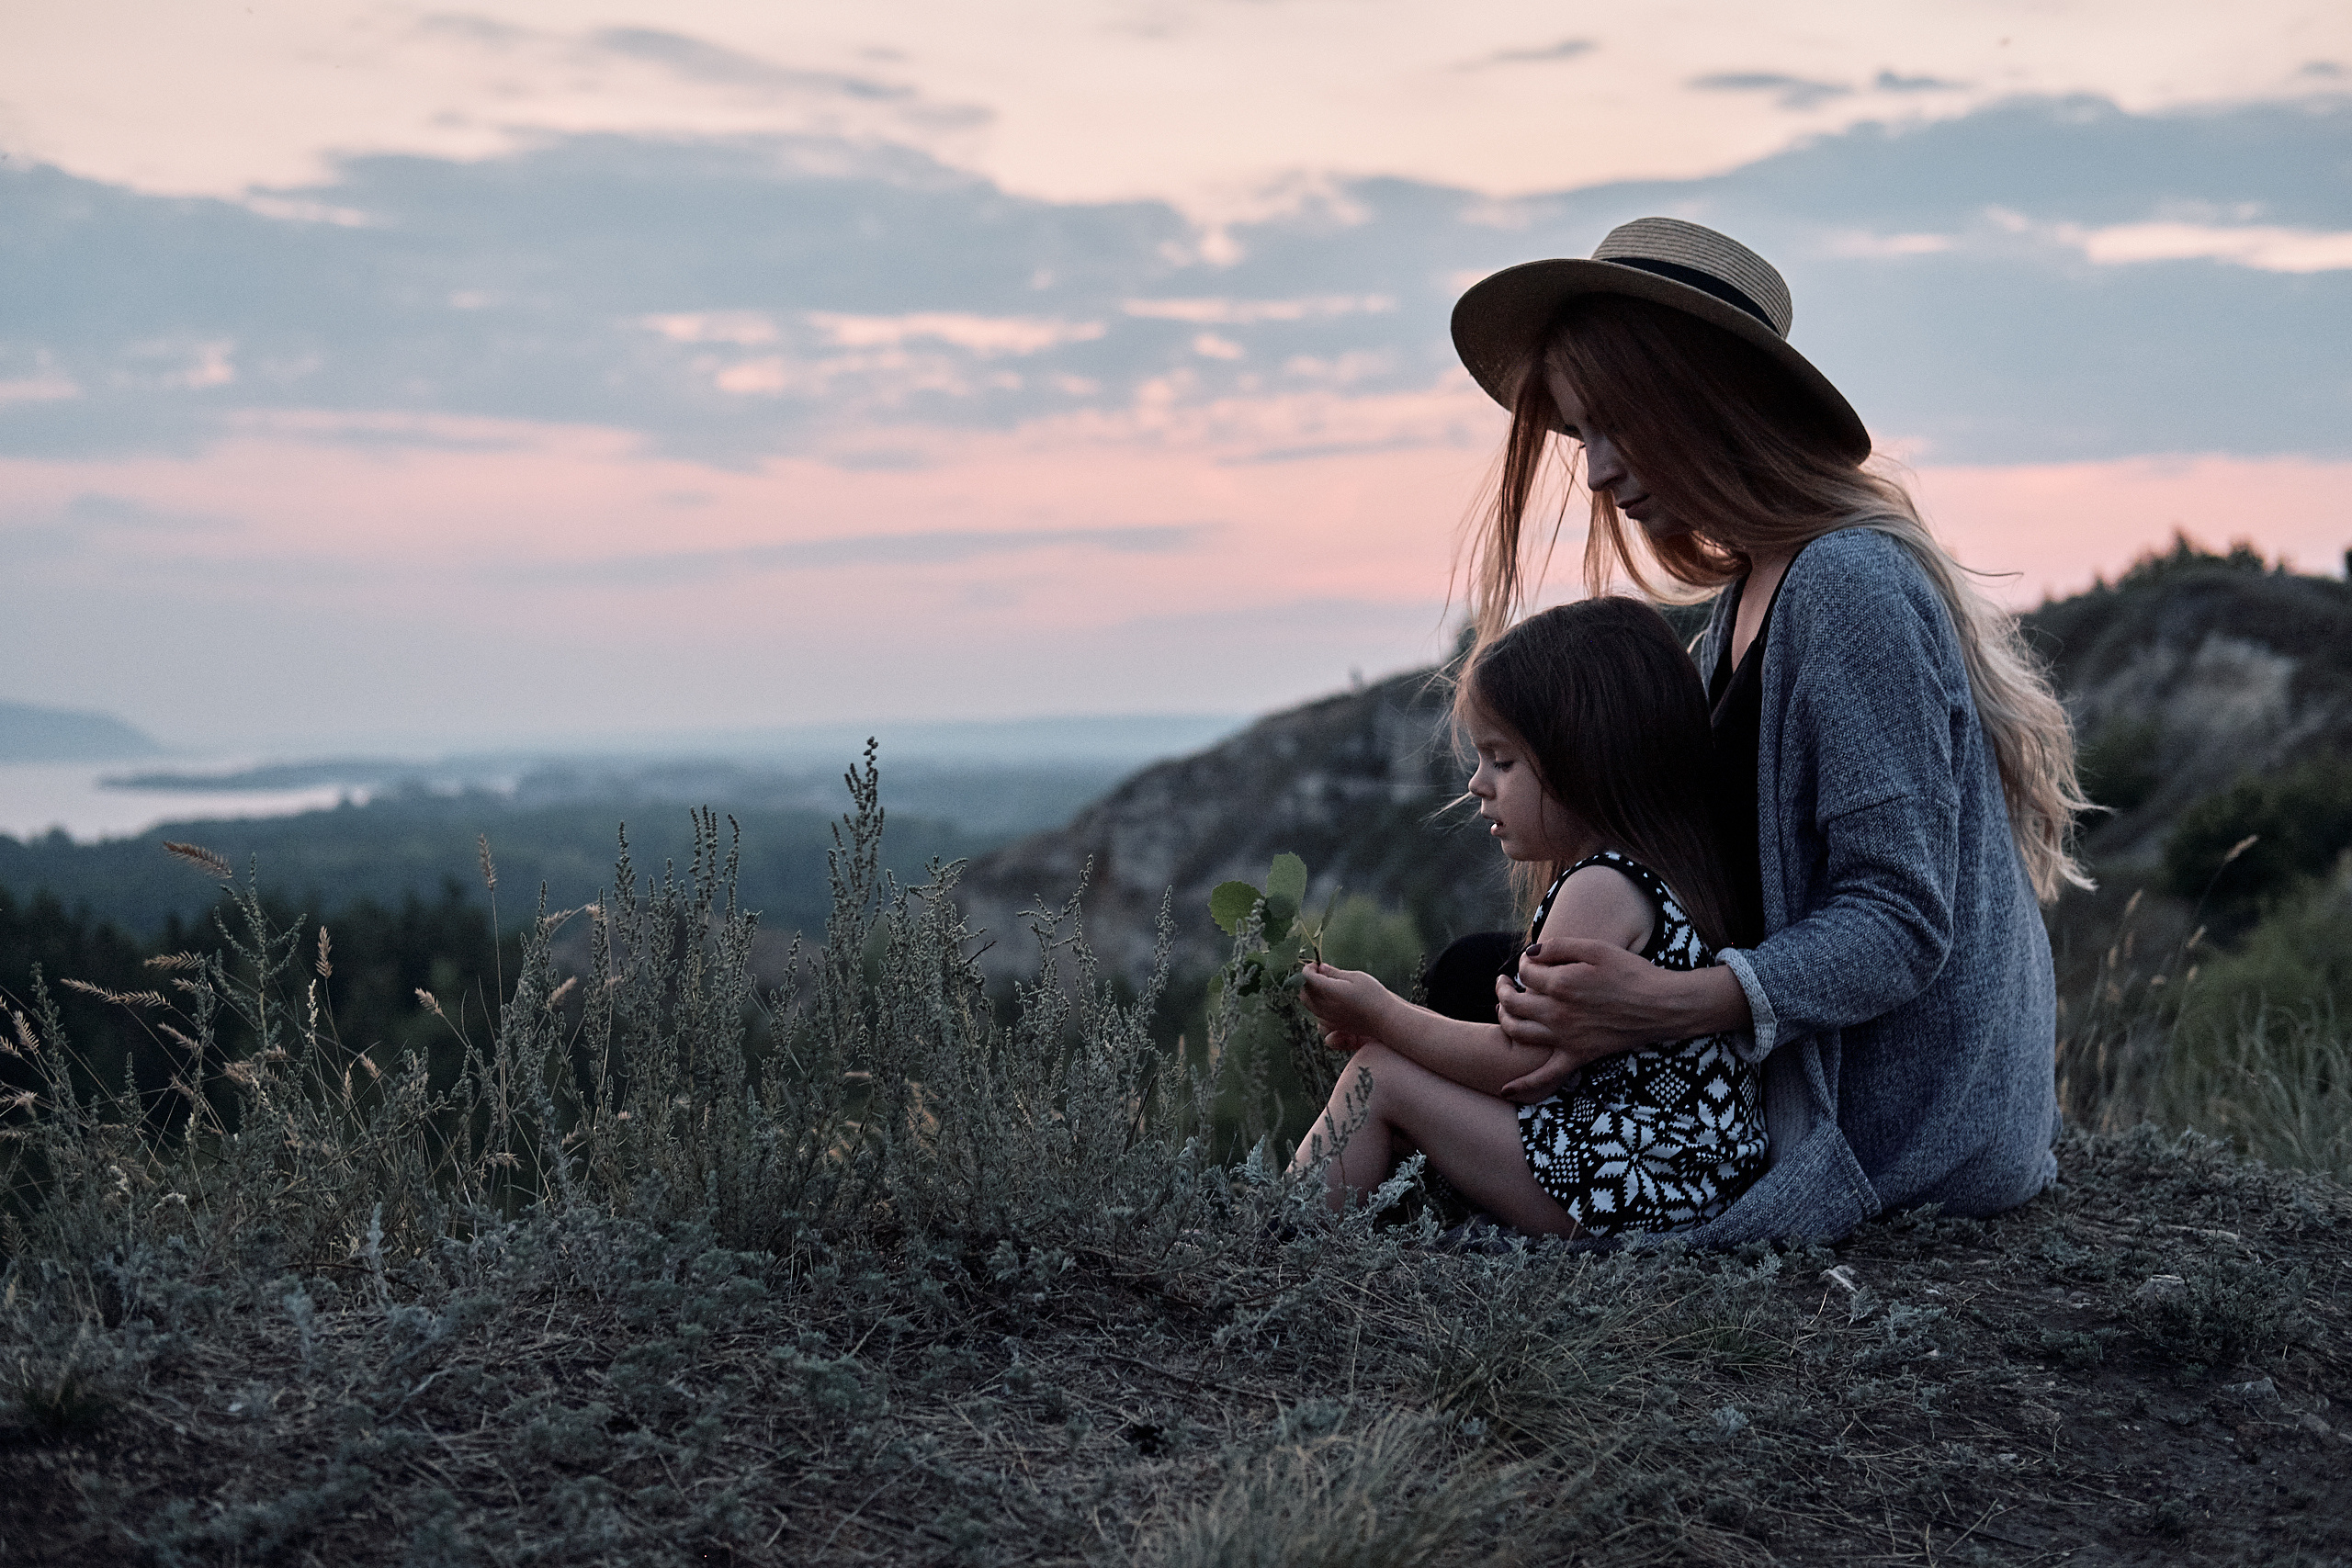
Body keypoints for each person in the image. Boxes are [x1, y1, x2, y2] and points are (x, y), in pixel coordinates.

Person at [1437, 217, 2083, 1245]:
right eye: (1579, 434)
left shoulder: (1848, 587)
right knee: (1477, 978)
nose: (1594, 470)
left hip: (1894, 1121)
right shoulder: (1746, 603)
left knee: (1464, 1025)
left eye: (1615, 424)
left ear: (1705, 400)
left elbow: (1898, 922)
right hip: (1817, 1064)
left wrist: (1666, 1004)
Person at [1285, 597, 1768, 1239]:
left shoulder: (1602, 887)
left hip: (1642, 1180)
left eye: (1503, 760)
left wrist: (1384, 1017)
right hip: (1677, 1173)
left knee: (1378, 1077)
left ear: (1587, 761)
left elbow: (1523, 1068)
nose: (1477, 783)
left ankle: (1275, 1248)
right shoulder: (1661, 868)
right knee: (1403, 1076)